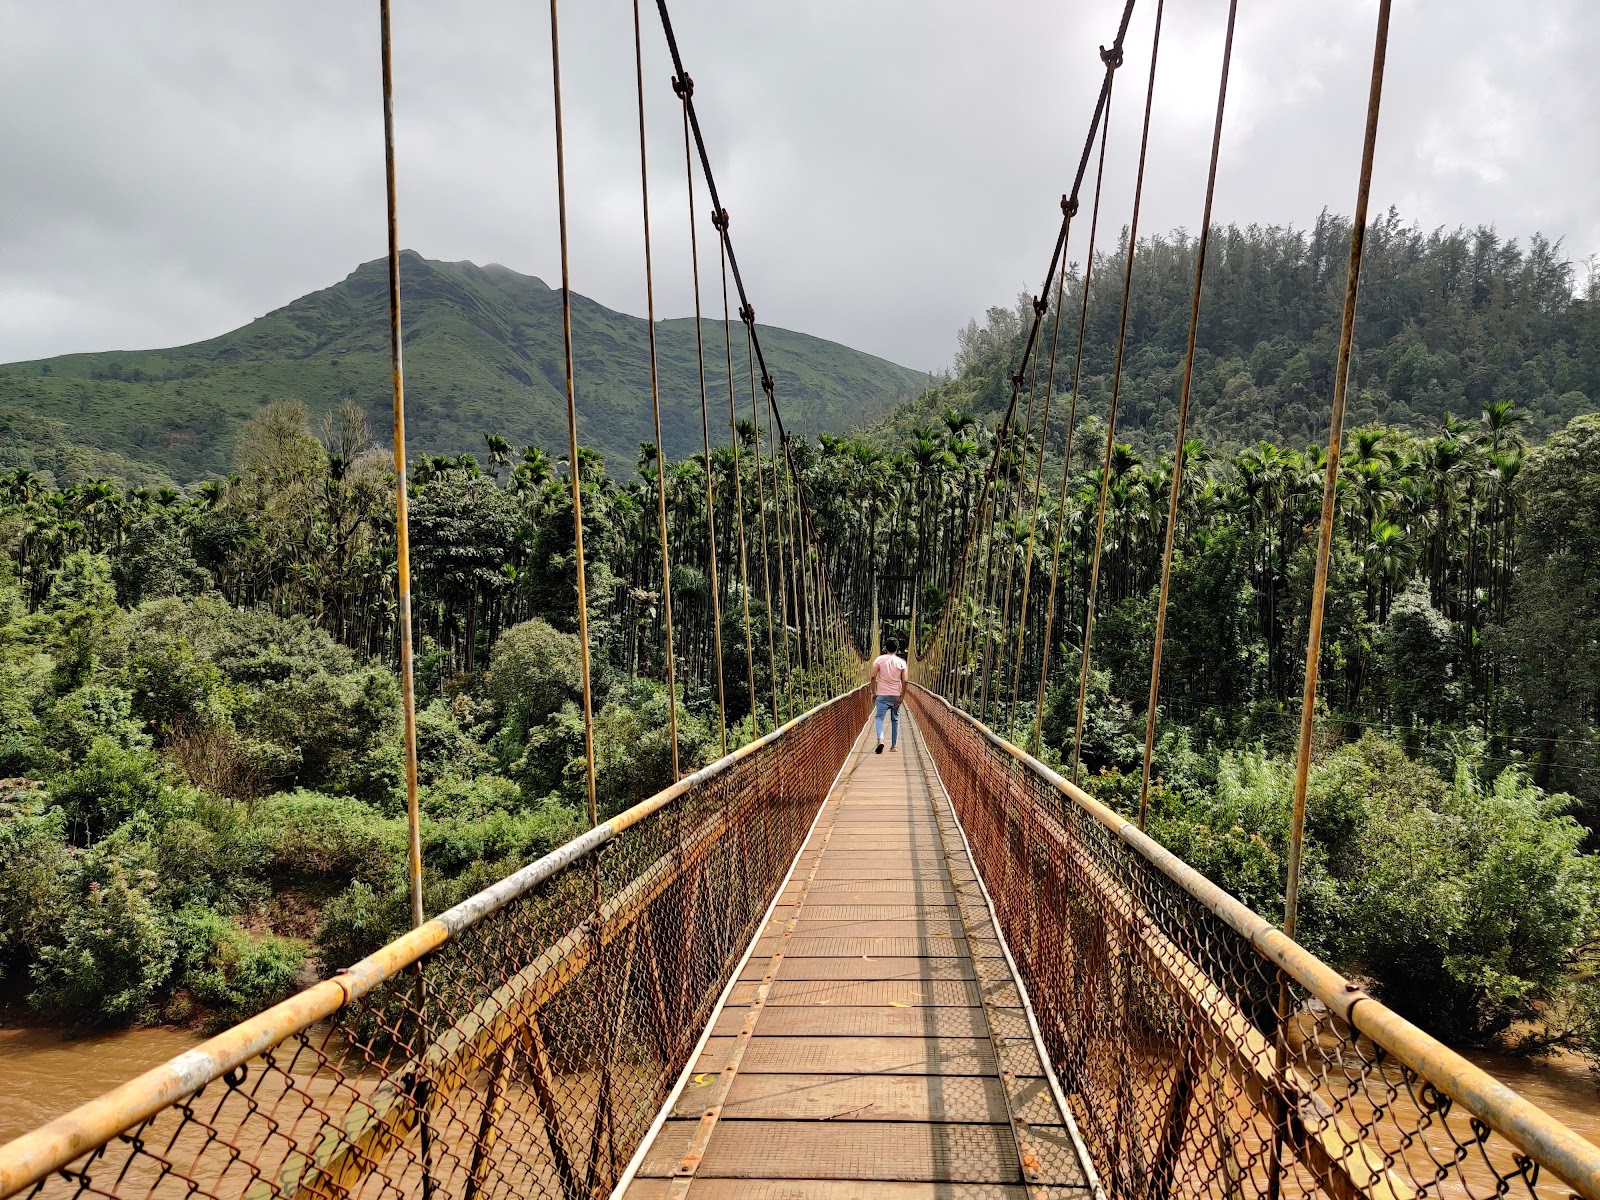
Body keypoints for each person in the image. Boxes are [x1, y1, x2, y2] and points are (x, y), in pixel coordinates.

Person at [870, 639, 909, 753]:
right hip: (896, 695)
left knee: (879, 718)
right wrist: (902, 697)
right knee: (895, 719)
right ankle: (894, 746)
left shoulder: (879, 660)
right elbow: (905, 681)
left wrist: (873, 692)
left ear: (885, 648)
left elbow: (873, 677)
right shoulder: (901, 662)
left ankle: (881, 739)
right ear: (897, 649)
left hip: (882, 695)